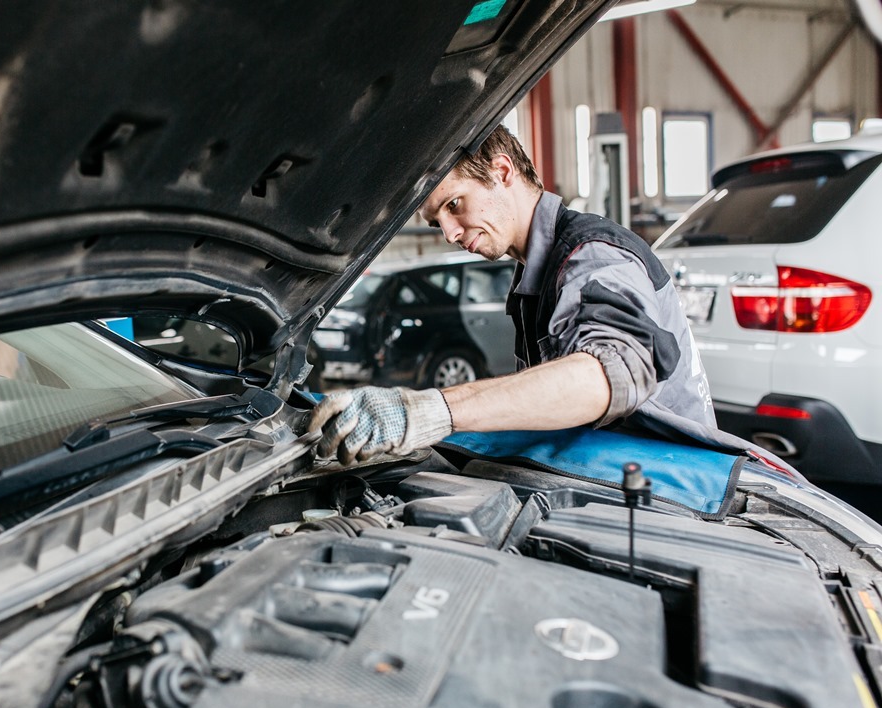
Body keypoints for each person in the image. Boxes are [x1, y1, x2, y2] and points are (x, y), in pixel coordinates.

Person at [310, 124, 747, 465]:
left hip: (670, 486)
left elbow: (605, 377)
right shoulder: (534, 277)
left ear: (502, 172)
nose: (448, 233)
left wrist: (428, 411)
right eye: (436, 221)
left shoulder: (591, 254)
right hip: (610, 468)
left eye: (454, 205)